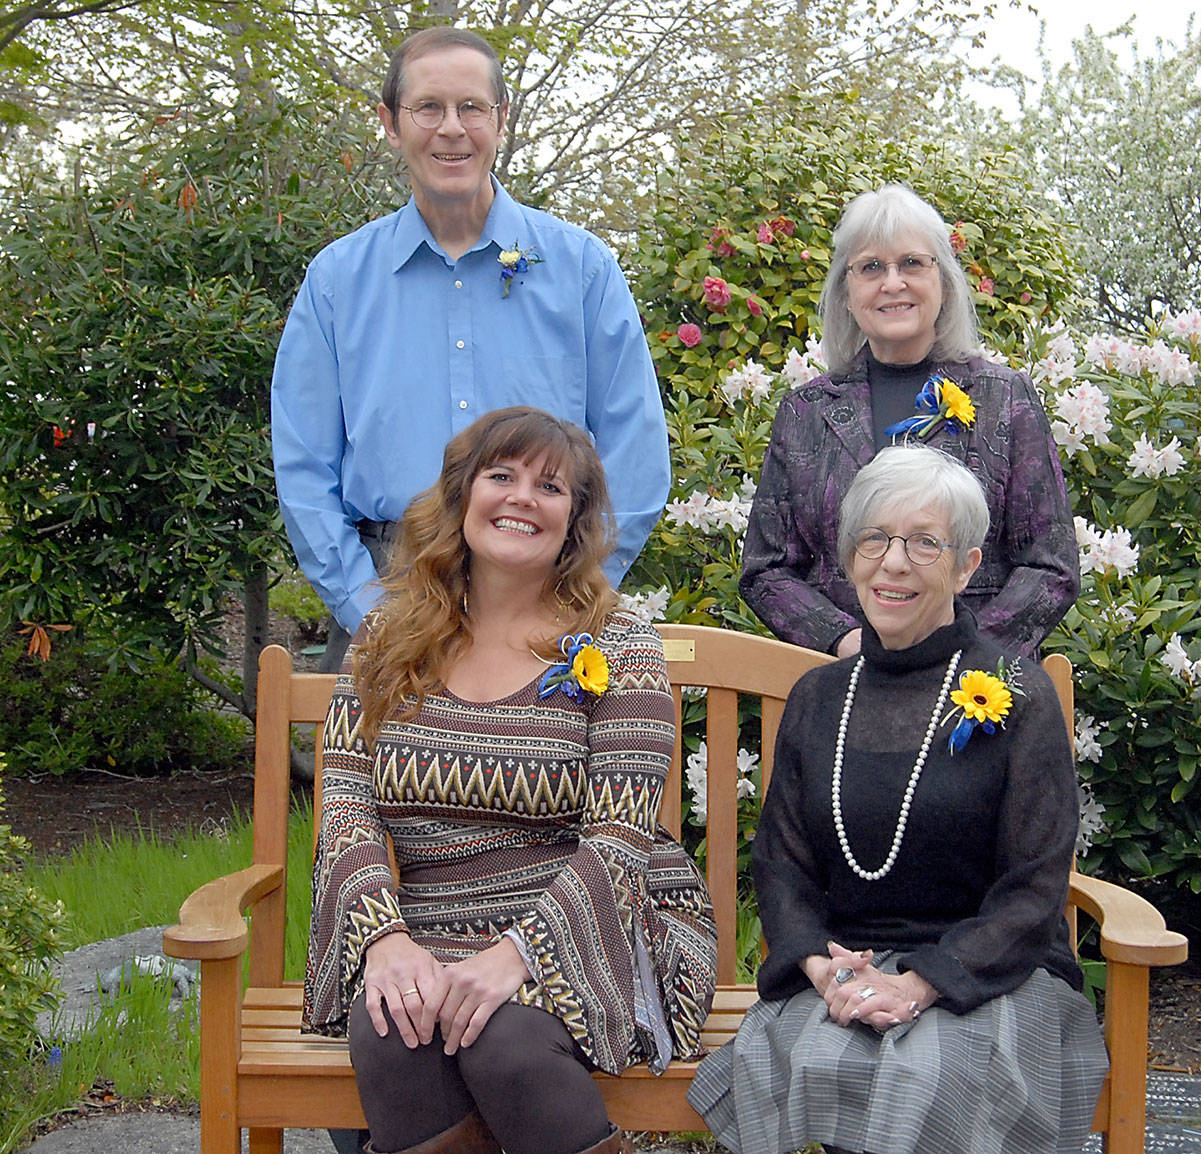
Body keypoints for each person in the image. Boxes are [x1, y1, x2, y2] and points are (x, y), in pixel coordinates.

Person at [304, 407, 717, 1154]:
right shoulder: (385, 639)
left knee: (505, 1039)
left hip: (601, 921)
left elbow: (620, 838)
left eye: (550, 486)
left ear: (575, 522)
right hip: (428, 923)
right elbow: (345, 811)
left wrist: (518, 956)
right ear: (462, 497)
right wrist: (383, 940)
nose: (522, 497)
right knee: (391, 1023)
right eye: (501, 476)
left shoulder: (620, 643)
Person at [688, 444, 1107, 1154]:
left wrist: (921, 984)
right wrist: (821, 967)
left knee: (932, 1071)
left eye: (924, 542)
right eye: (875, 539)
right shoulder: (819, 698)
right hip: (848, 969)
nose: (894, 562)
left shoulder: (1018, 694)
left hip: (990, 973)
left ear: (968, 565)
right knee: (822, 1056)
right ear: (851, 557)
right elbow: (782, 863)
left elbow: (1034, 890)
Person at [271, 27, 670, 672]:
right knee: (369, 776)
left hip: (548, 601)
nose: (450, 128)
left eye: (471, 107)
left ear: (500, 120)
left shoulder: (581, 269)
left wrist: (575, 593)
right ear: (390, 124)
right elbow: (303, 464)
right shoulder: (339, 281)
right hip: (389, 588)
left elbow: (637, 451)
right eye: (428, 107)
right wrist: (362, 607)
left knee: (540, 778)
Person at [740, 183, 1077, 659]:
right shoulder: (805, 413)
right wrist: (845, 641)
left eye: (912, 263)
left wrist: (962, 651)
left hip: (978, 693)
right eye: (871, 267)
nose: (892, 282)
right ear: (847, 292)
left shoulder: (1005, 398)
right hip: (848, 684)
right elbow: (765, 569)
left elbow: (1050, 566)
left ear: (944, 281)